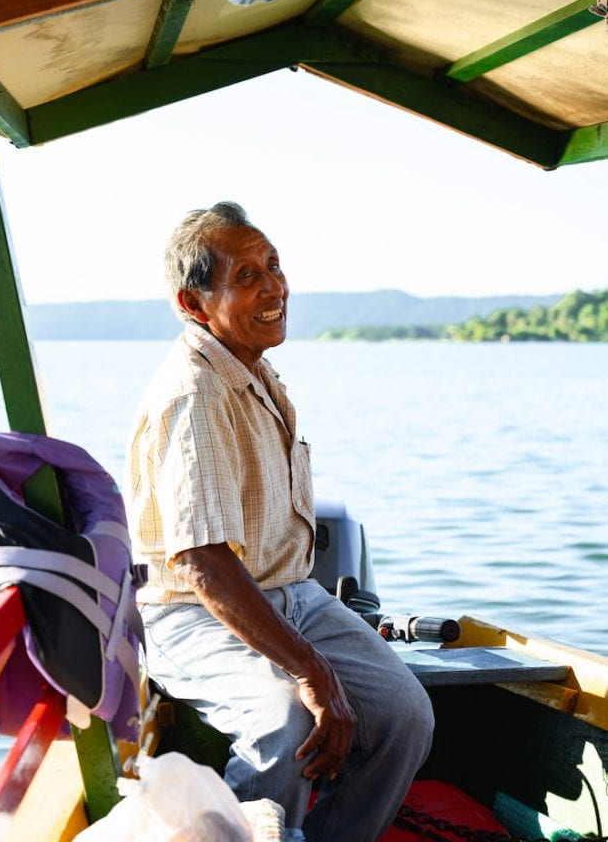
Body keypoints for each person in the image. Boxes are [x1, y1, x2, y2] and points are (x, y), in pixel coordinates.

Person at [124, 202, 434, 842]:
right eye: (245, 277)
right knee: (284, 723)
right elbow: (203, 565)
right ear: (194, 302)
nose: (274, 287)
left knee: (406, 715)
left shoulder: (254, 368)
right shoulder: (194, 392)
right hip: (193, 611)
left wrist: (310, 652)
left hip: (293, 594)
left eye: (273, 265)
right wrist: (310, 671)